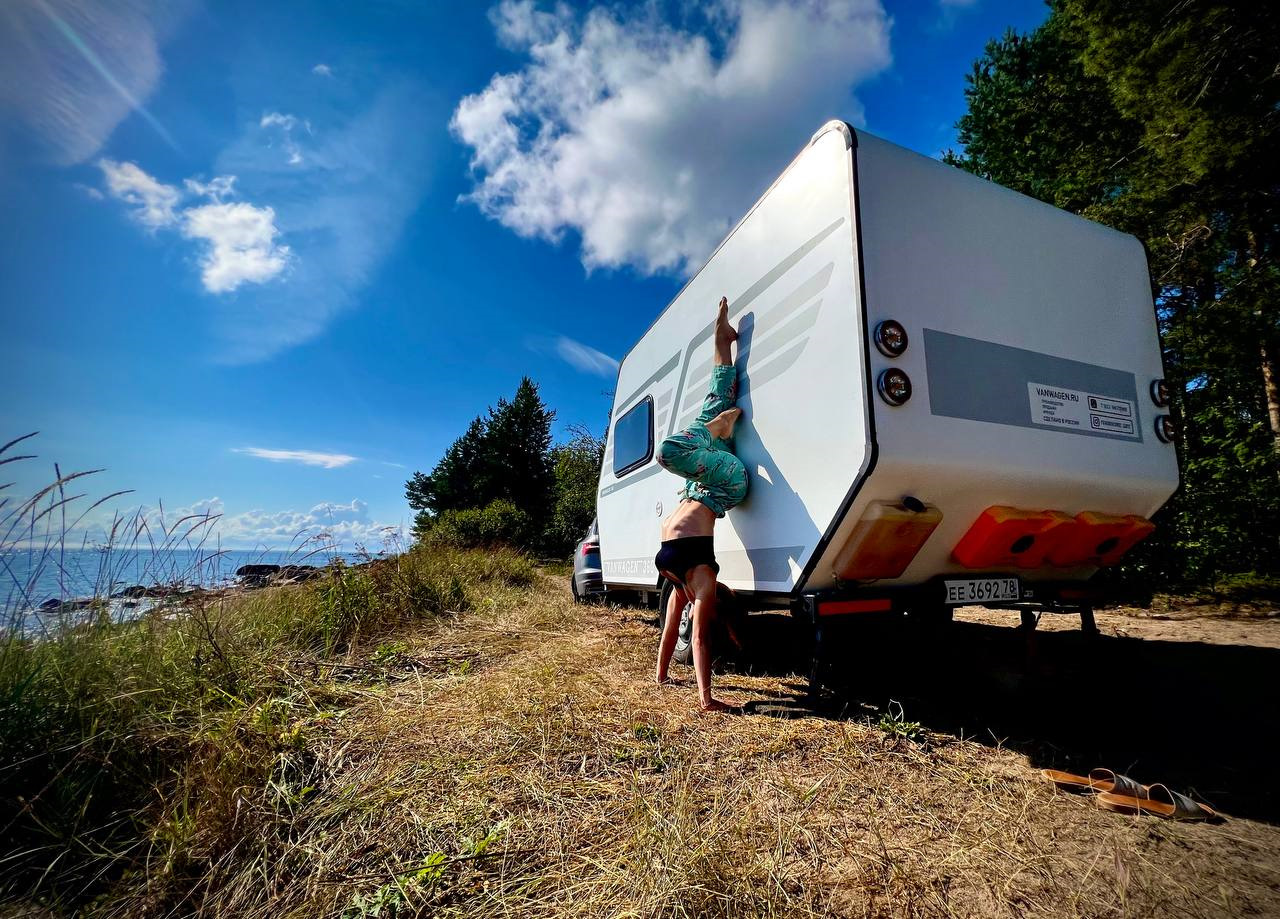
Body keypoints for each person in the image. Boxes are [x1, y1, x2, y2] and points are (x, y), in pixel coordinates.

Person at [653, 296, 749, 712]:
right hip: (729, 485)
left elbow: (674, 630)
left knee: (715, 402)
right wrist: (706, 699)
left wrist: (661, 676)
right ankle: (715, 428)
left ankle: (722, 343)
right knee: (672, 450)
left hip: (693, 507)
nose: (698, 611)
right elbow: (699, 636)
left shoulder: (685, 585)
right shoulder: (704, 579)